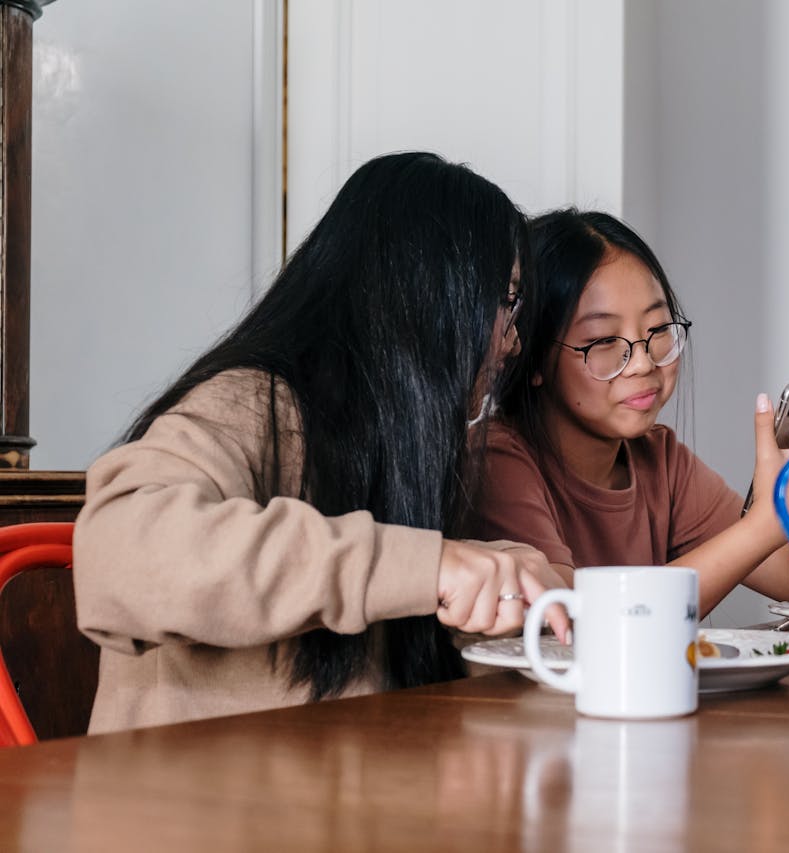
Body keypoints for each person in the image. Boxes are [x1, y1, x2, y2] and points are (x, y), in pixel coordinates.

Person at [73, 152, 568, 734]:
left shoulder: (394, 439)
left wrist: (488, 592)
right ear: (427, 294)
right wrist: (425, 565)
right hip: (191, 812)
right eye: (507, 303)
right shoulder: (251, 402)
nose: (511, 344)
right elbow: (122, 555)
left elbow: (364, 670)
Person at [467, 209, 789, 617]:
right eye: (603, 340)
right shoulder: (497, 460)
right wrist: (769, 521)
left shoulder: (661, 459)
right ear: (530, 354)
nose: (643, 362)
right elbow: (574, 619)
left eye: (658, 330)